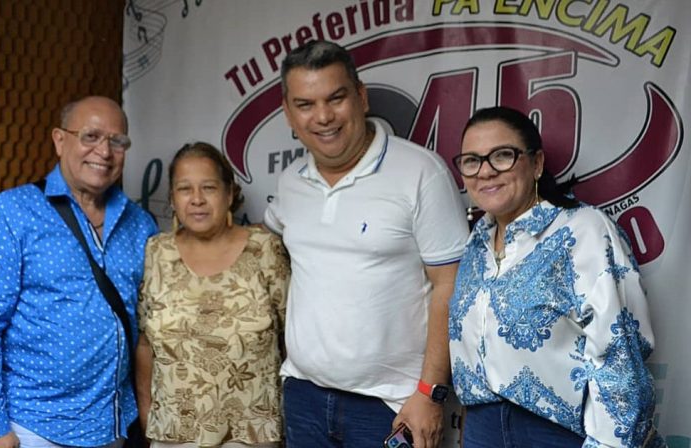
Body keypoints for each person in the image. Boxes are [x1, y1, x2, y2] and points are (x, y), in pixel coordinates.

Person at [264, 40, 469, 448]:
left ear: (360, 96)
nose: (323, 117)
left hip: (391, 406)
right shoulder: (290, 183)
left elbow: (452, 285)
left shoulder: (420, 173)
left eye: (335, 98)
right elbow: (258, 239)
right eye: (305, 104)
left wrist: (431, 393)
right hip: (304, 396)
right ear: (288, 113)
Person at [448, 106, 664, 447]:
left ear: (536, 164)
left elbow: (619, 356)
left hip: (556, 433)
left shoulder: (583, 230)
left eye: (502, 156)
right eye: (471, 161)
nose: (485, 172)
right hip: (482, 428)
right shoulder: (477, 241)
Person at [0, 96, 158, 448]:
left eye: (117, 141)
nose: (105, 152)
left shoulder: (140, 225)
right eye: (90, 136)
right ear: (59, 140)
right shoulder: (10, 213)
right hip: (35, 428)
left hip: (113, 425)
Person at [135, 142, 289, 448]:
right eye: (184, 189)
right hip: (173, 435)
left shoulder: (264, 250)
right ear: (172, 199)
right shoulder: (157, 252)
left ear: (229, 194)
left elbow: (293, 342)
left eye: (208, 187)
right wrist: (148, 415)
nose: (197, 200)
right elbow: (145, 344)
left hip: (251, 434)